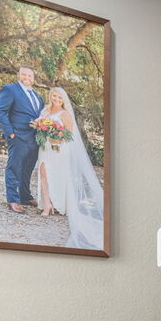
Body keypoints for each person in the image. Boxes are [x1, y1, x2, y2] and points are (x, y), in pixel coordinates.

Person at [32, 87, 105, 250]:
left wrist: (57, 139)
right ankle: (47, 205)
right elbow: (39, 125)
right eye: (54, 96)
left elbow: (69, 136)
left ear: (63, 99)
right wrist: (40, 127)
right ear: (50, 96)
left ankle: (59, 203)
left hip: (59, 149)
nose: (56, 99)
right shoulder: (45, 110)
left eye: (59, 97)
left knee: (57, 175)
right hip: (45, 148)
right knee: (43, 172)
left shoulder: (65, 114)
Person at [0, 66, 43, 213]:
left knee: (28, 168)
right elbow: (0, 111)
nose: (27, 77)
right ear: (18, 75)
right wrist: (10, 133)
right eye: (24, 74)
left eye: (30, 75)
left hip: (34, 138)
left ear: (33, 78)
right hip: (18, 136)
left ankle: (25, 195)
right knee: (14, 167)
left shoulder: (37, 96)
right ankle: (13, 199)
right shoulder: (10, 89)